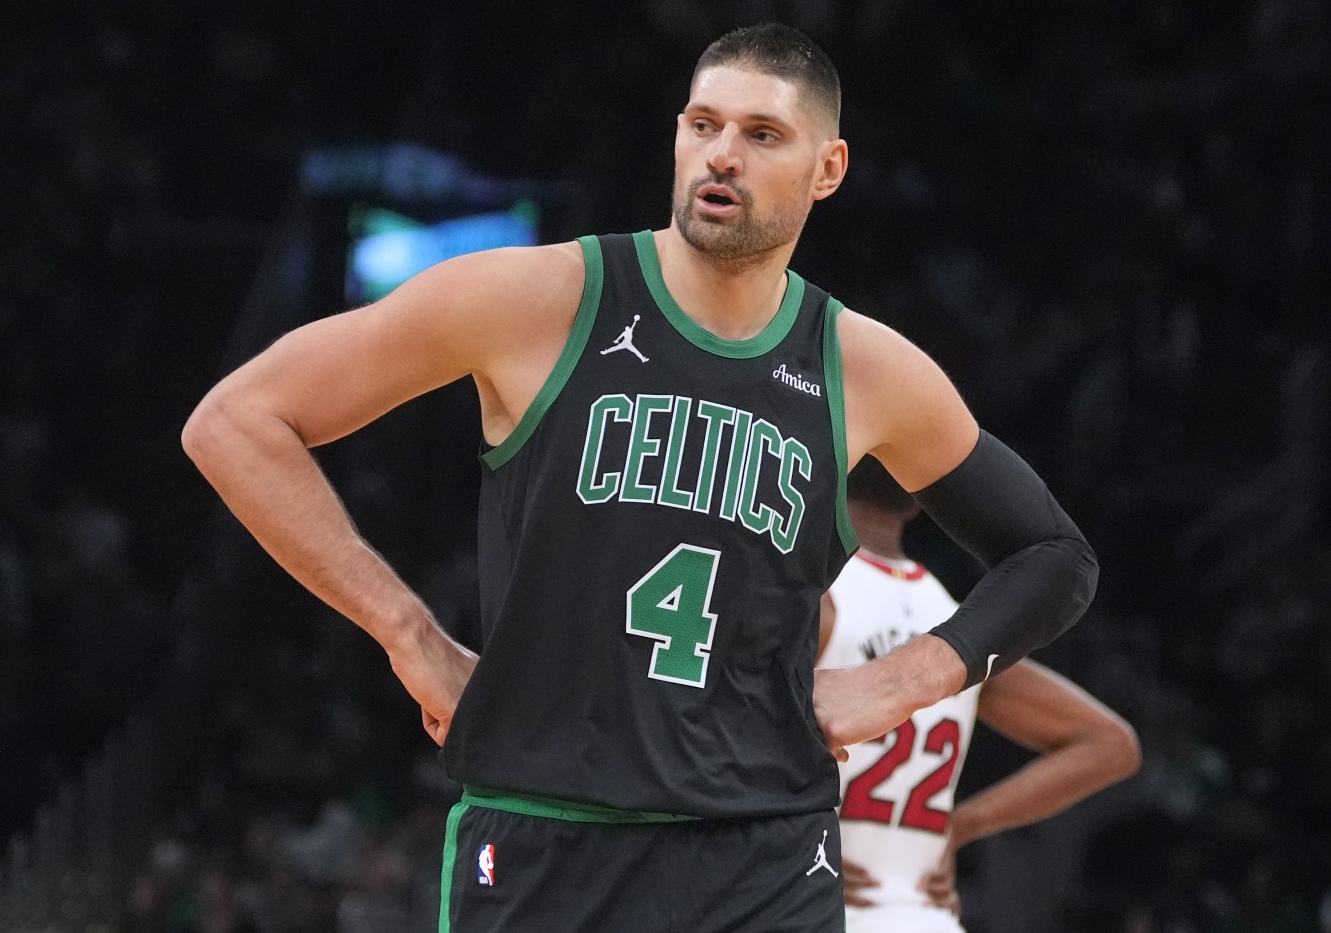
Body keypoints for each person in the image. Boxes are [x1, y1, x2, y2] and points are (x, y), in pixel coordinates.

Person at [182, 22, 1098, 933]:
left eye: (762, 134)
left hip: (766, 853)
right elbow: (235, 421)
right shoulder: (539, 299)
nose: (722, 154)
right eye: (703, 125)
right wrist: (405, 628)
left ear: (829, 169)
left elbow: (1054, 556)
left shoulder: (863, 367)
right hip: (546, 833)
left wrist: (902, 680)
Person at [818, 456, 1140, 931]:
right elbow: (1112, 745)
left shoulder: (816, 601)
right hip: (927, 917)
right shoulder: (955, 628)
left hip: (818, 906)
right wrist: (960, 825)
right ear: (918, 499)